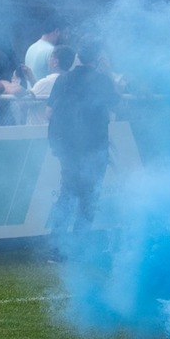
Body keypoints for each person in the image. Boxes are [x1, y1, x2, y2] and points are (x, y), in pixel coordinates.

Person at [47, 43, 118, 232]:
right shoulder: (102, 81)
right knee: (90, 194)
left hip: (67, 146)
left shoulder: (63, 79)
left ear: (79, 56)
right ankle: (80, 243)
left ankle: (57, 244)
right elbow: (117, 105)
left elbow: (48, 112)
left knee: (67, 192)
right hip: (95, 145)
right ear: (98, 59)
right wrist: (109, 71)